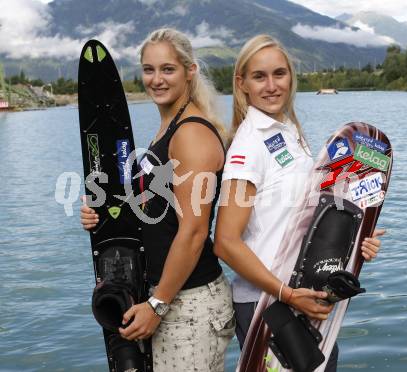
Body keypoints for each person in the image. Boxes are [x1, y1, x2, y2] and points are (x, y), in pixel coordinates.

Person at [213, 34, 385, 371]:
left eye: (279, 74)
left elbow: (304, 220)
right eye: (259, 76)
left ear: (291, 76)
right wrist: (288, 295)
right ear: (242, 83)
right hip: (269, 304)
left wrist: (356, 245)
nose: (271, 85)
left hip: (305, 298)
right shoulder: (247, 148)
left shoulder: (289, 130)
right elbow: (225, 244)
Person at [81, 28, 235, 371]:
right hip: (165, 295)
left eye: (168, 69)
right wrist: (101, 216)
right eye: (149, 70)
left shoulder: (191, 134)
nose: (156, 79)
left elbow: (193, 231)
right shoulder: (166, 131)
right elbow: (155, 213)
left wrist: (158, 304)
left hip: (189, 303)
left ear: (190, 71)